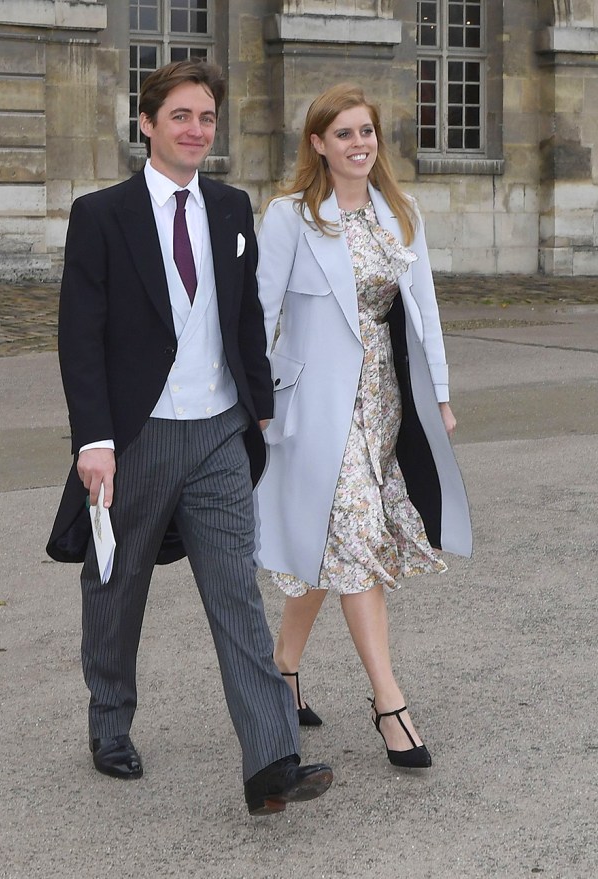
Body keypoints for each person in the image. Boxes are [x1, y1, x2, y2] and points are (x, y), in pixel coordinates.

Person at [46, 59, 333, 814]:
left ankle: (272, 758)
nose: (195, 130)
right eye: (180, 116)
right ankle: (110, 723)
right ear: (146, 124)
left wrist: (260, 406)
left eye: (205, 117)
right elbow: (81, 337)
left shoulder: (233, 208)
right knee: (116, 586)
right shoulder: (101, 215)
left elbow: (243, 317)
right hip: (138, 436)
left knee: (237, 592)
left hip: (218, 432)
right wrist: (95, 439)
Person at [253, 83, 472, 768]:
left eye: (366, 132)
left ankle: (283, 664)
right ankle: (389, 702)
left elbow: (425, 311)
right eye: (343, 133)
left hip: (384, 398)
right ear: (318, 143)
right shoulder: (290, 216)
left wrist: (437, 395)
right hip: (315, 401)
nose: (359, 144)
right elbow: (259, 311)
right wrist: (253, 399)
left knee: (334, 537)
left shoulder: (399, 216)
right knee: (351, 527)